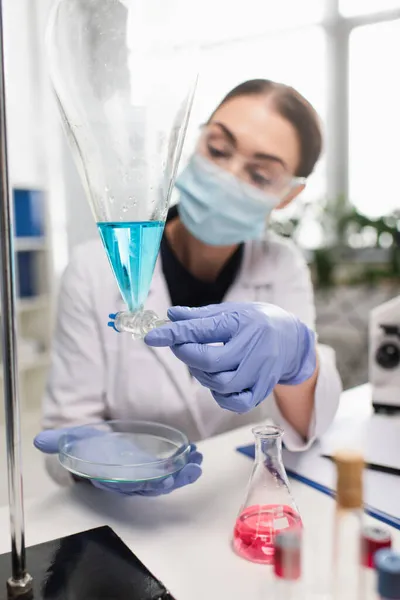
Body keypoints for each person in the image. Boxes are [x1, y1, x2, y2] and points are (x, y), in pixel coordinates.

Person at [34, 78, 342, 496]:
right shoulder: (93, 267)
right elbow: (64, 437)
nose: (227, 177)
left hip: (232, 501)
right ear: (194, 142)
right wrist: (96, 460)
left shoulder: (282, 267)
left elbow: (308, 425)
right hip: (122, 519)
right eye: (217, 149)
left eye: (260, 173)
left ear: (288, 195)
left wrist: (299, 360)